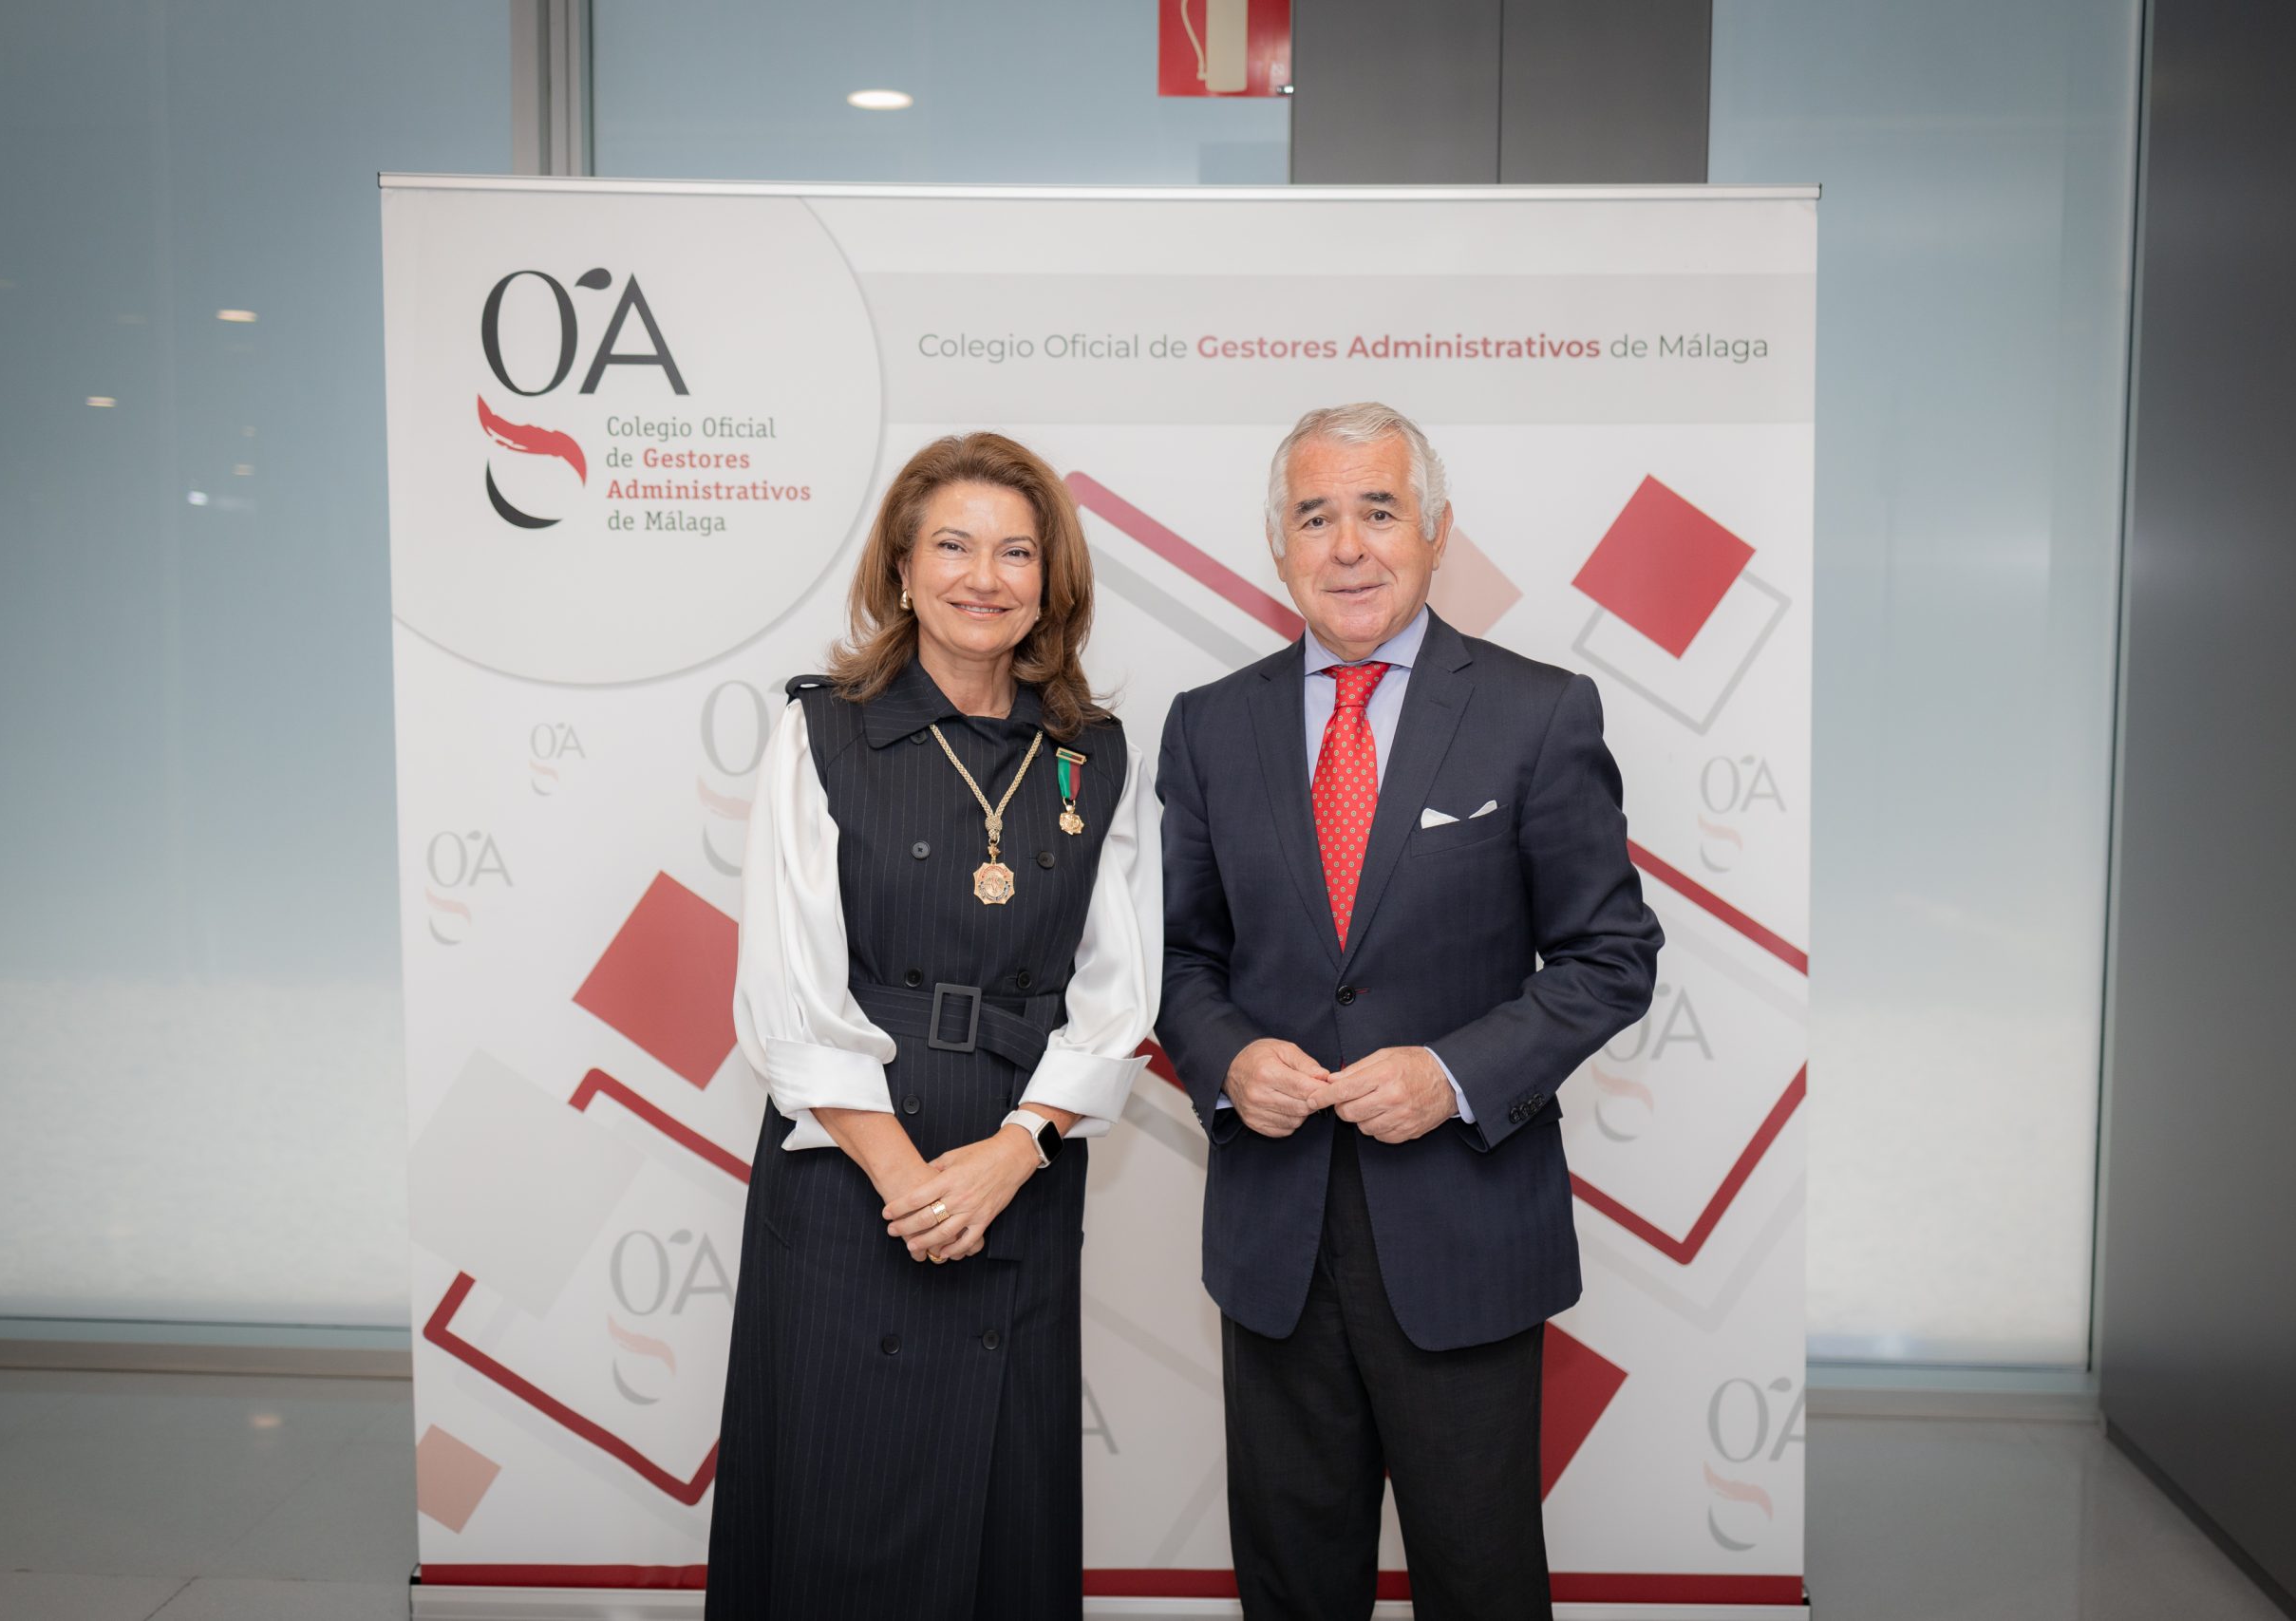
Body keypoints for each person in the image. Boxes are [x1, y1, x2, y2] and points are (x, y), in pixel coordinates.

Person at [1154, 403, 1663, 1621]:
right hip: (1274, 1239)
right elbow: (1174, 955)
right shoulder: (1208, 724)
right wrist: (1229, 1057)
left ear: (1436, 533)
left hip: (1464, 1231)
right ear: (1277, 544)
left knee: (1480, 1582)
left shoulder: (1539, 712)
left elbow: (1610, 956)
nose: (1347, 547)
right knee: (1291, 1585)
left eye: (1378, 512)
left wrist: (1453, 1074)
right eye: (1314, 517)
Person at [706, 432, 1162, 1620]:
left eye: (1016, 552)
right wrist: (912, 1184)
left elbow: (1119, 994)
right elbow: (789, 989)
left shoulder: (1093, 752)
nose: (984, 577)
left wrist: (1012, 1155)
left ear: (1050, 584)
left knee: (1004, 1510)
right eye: (952, 546)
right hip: (851, 1171)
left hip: (1020, 1166)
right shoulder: (825, 732)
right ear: (902, 571)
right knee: (839, 1499)